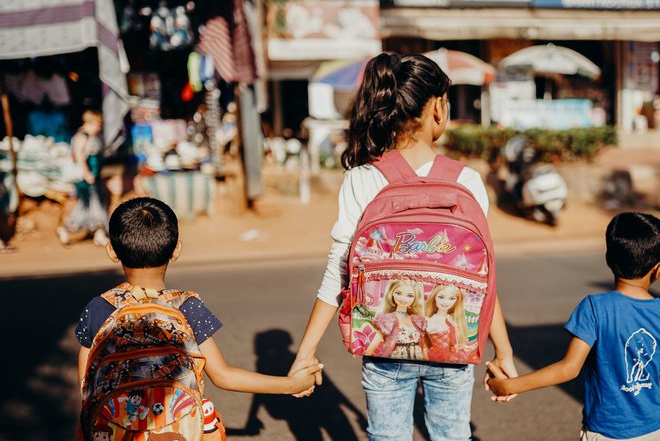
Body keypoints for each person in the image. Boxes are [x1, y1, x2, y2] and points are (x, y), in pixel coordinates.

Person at [288, 52, 518, 441]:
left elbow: (338, 270)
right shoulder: (468, 181)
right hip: (454, 346)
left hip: (383, 344)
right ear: (438, 110)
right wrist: (504, 353)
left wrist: (305, 352)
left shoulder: (362, 178)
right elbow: (483, 279)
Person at [75, 198, 322, 408]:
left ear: (111, 251)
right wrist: (292, 384)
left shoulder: (99, 308)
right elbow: (223, 376)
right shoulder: (186, 306)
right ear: (176, 251)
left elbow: (87, 387)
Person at [487, 212, 660, 441]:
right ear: (658, 269)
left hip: (605, 432)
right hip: (654, 429)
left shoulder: (595, 308)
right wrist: (643, 393)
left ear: (608, 259)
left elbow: (569, 368)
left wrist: (509, 386)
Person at [57, 110, 109, 246]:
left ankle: (99, 233)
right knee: (86, 205)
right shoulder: (81, 136)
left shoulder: (94, 136)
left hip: (93, 175)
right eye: (98, 123)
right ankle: (66, 228)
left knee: (95, 203)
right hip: (85, 177)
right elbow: (79, 157)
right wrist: (87, 174)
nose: (100, 126)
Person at [368, 280, 428, 360]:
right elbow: (372, 346)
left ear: (415, 298)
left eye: (410, 296)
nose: (404, 299)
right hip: (395, 363)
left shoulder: (418, 320)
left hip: (417, 363)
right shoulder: (387, 319)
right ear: (392, 293)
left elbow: (423, 348)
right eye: (398, 293)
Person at [424, 284, 469, 363]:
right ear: (435, 297)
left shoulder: (453, 319)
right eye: (441, 297)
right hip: (436, 358)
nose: (445, 302)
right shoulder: (430, 321)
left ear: (456, 300)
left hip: (455, 359)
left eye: (451, 298)